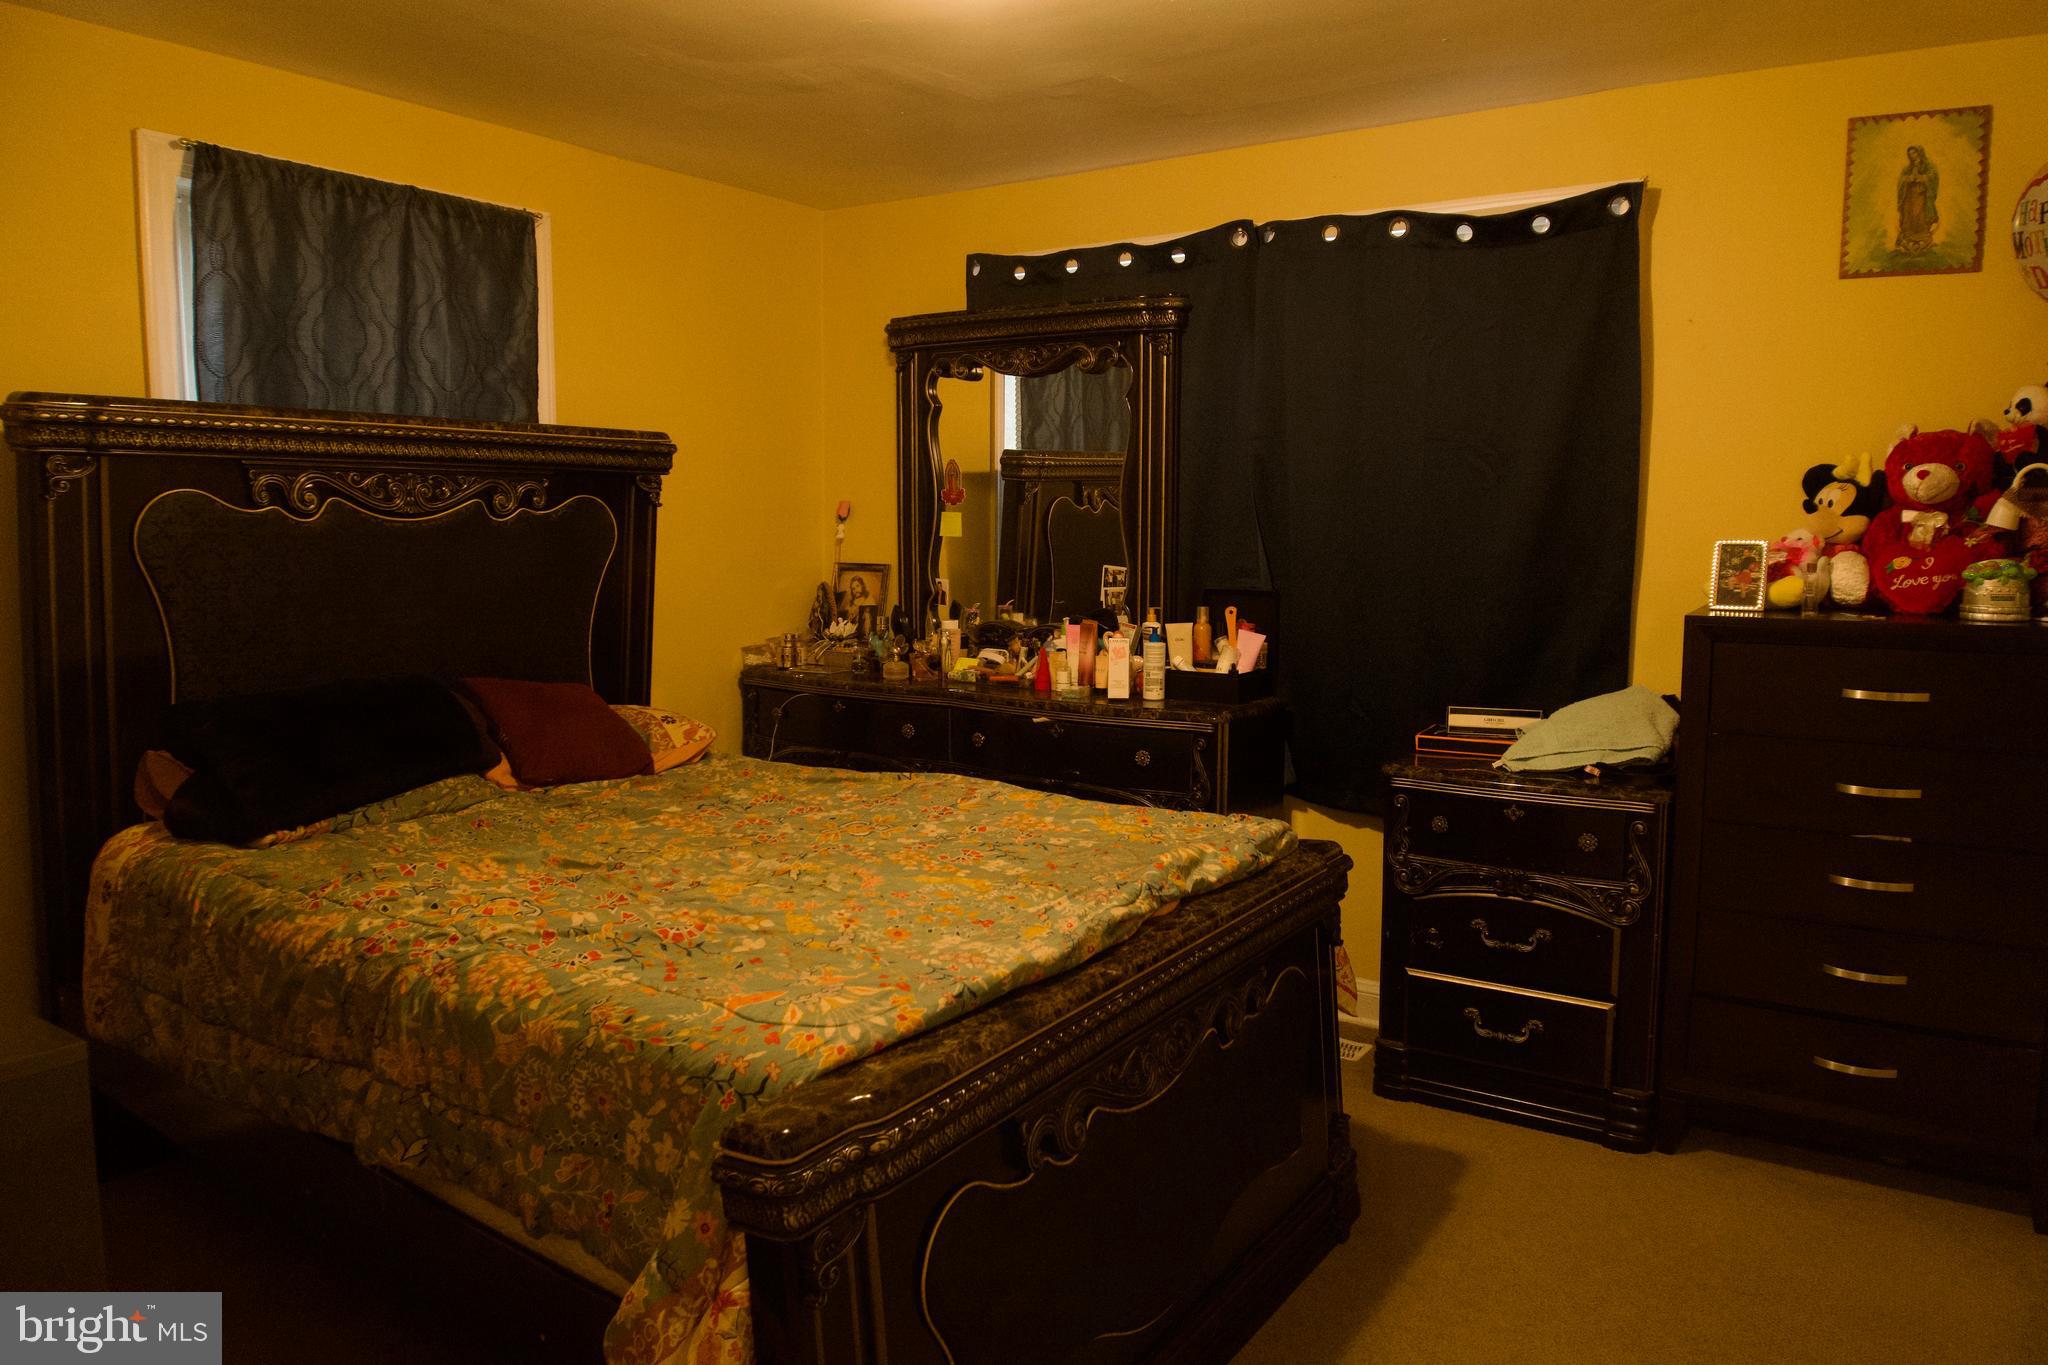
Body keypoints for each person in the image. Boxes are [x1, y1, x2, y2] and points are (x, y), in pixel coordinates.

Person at [1895, 145, 1939, 255]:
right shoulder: (1908, 167)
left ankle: (1923, 239)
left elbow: (1933, 177)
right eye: (1910, 154)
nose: (1912, 156)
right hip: (1909, 196)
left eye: (1914, 153)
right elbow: (1901, 180)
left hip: (1922, 196)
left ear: (1920, 153)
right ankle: (1908, 239)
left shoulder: (1929, 165)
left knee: (1920, 214)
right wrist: (1908, 179)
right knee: (1909, 216)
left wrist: (1922, 178)